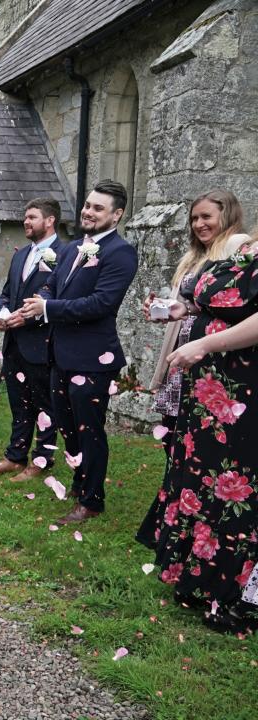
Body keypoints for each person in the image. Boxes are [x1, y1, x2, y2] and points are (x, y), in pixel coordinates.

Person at [21, 179, 138, 524]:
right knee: (68, 426)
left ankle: (92, 500)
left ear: (116, 215)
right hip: (60, 353)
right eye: (87, 205)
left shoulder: (121, 253)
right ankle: (79, 480)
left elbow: (101, 303)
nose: (88, 211)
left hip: (93, 358)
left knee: (90, 429)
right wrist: (37, 301)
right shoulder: (72, 248)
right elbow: (52, 286)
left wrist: (48, 309)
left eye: (98, 208)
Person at [136, 190, 249, 548]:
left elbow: (236, 305)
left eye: (206, 217)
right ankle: (176, 518)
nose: (199, 224)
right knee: (180, 439)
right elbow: (206, 305)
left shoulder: (240, 248)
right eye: (194, 219)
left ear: (228, 215)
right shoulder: (198, 255)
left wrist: (199, 337)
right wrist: (174, 310)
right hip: (190, 355)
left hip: (222, 365)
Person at [159, 231, 258, 632]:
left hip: (246, 391)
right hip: (213, 393)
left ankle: (243, 596)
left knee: (241, 486)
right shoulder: (245, 245)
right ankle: (202, 577)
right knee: (210, 480)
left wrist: (206, 344)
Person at [0, 198, 62, 481]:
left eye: (32, 217)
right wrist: (0, 313)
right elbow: (7, 291)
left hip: (42, 343)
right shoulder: (21, 254)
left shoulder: (65, 254)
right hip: (14, 342)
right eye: (26, 217)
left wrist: (29, 316)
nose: (26, 222)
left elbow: (56, 295)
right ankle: (15, 456)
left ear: (50, 220)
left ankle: (42, 459)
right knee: (19, 402)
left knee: (45, 405)